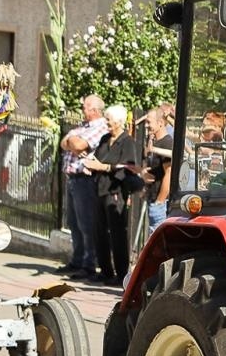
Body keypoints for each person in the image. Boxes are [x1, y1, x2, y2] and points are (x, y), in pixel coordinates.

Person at [82, 104, 142, 284]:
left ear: (119, 122)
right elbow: (98, 159)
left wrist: (102, 167)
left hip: (115, 191)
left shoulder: (128, 142)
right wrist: (90, 164)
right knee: (99, 231)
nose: (106, 123)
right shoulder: (105, 138)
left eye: (109, 120)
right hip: (100, 188)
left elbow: (127, 167)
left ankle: (121, 274)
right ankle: (105, 270)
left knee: (117, 233)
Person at [60, 95, 107, 279]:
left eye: (85, 107)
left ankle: (89, 263)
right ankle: (77, 260)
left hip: (85, 180)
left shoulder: (101, 127)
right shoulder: (83, 127)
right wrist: (73, 141)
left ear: (95, 110)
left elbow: (78, 145)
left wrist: (73, 140)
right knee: (73, 222)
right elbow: (65, 143)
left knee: (86, 223)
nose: (82, 110)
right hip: (73, 178)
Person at [142, 102, 174, 232]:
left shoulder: (166, 143)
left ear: (160, 123)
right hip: (153, 198)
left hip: (160, 204)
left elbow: (169, 173)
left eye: (149, 122)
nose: (147, 125)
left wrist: (160, 201)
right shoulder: (155, 143)